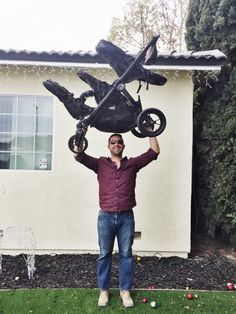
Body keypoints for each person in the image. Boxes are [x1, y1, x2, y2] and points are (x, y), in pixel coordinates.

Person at [73, 132, 160, 308]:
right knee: (104, 254)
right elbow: (77, 154)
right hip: (105, 216)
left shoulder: (133, 164)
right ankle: (103, 291)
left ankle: (124, 291)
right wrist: (82, 132)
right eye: (113, 142)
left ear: (123, 146)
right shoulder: (100, 164)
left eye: (119, 142)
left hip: (126, 217)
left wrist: (151, 131)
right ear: (108, 146)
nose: (116, 144)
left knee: (126, 254)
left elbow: (154, 151)